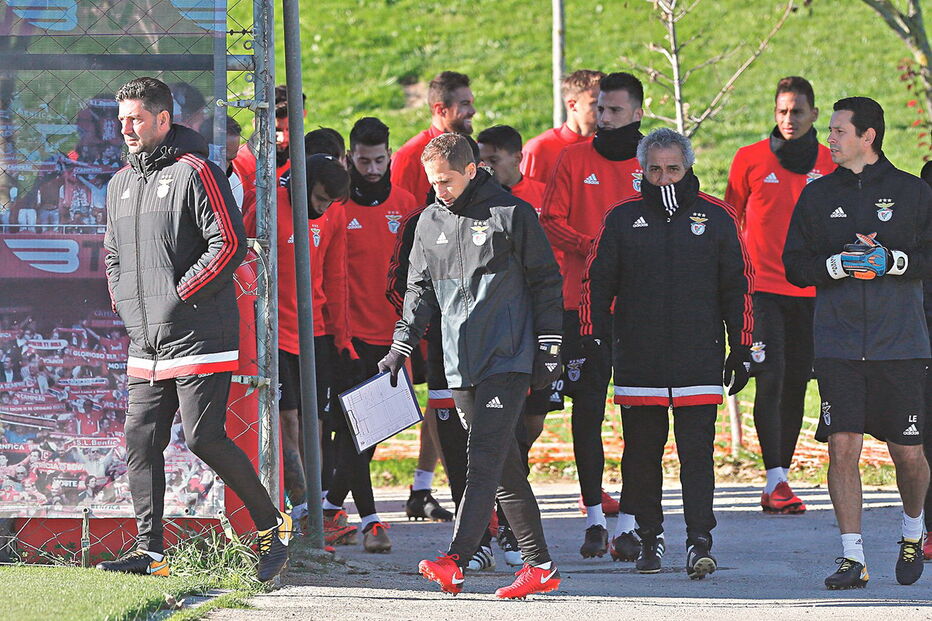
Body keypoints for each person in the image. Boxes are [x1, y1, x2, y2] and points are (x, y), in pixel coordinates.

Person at [99, 77, 290, 581]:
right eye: (122, 121)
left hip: (199, 334)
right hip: (145, 340)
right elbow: (113, 253)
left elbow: (227, 244)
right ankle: (150, 553)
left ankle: (273, 528)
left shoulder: (196, 171)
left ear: (163, 119)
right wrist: (126, 303)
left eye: (136, 119)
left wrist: (178, 296)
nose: (127, 129)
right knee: (140, 442)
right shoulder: (119, 183)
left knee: (204, 437)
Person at [380, 133, 563, 599]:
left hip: (508, 356)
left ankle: (455, 558)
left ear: (472, 170)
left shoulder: (510, 214)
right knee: (501, 466)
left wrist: (549, 345)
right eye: (432, 181)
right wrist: (401, 346)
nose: (439, 189)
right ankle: (539, 565)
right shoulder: (426, 223)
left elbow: (546, 281)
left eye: (446, 181)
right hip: (458, 362)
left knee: (481, 457)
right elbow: (417, 292)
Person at [581, 127, 753, 578]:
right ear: (642, 171)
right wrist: (595, 337)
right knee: (641, 453)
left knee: (697, 454)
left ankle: (700, 541)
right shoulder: (621, 218)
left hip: (698, 355)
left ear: (688, 167)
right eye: (654, 170)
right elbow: (596, 284)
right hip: (639, 357)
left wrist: (742, 346)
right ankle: (649, 537)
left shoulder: (717, 217)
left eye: (673, 169)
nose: (664, 178)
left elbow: (738, 286)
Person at [784, 97, 932, 589]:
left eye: (839, 131)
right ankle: (853, 558)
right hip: (838, 343)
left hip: (901, 344)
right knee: (841, 447)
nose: (829, 138)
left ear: (868, 136)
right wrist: (836, 266)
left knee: (907, 454)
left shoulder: (913, 192)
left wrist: (892, 261)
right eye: (830, 130)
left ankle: (913, 531)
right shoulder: (817, 195)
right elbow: (793, 263)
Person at [540, 71, 644, 559]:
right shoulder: (573, 158)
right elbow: (550, 220)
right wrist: (592, 247)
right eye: (599, 109)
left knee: (639, 414)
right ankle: (594, 518)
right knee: (588, 412)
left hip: (641, 309)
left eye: (614, 111)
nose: (603, 118)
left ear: (638, 113)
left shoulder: (656, 163)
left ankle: (630, 521)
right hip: (580, 306)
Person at [725, 76, 835, 514]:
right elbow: (730, 219)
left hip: (812, 290)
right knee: (768, 376)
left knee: (794, 382)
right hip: (761, 289)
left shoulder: (831, 162)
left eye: (797, 111)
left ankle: (780, 481)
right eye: (782, 111)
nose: (789, 119)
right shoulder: (749, 159)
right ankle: (775, 479)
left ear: (814, 114)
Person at [319, 117, 419, 553]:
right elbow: (334, 277)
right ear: (350, 159)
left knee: (375, 430)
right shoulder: (340, 209)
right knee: (354, 429)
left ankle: (329, 506)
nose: (373, 168)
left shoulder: (407, 202)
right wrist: (340, 336)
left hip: (393, 337)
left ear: (390, 156)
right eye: (364, 160)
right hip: (350, 336)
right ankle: (372, 520)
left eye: (380, 160)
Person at [391, 71, 475, 204]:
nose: (473, 111)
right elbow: (398, 211)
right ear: (441, 110)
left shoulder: (472, 149)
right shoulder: (409, 157)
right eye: (465, 104)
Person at [522, 69, 604, 184]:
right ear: (572, 105)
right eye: (596, 103)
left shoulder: (611, 147)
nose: (604, 111)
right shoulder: (540, 149)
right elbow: (523, 197)